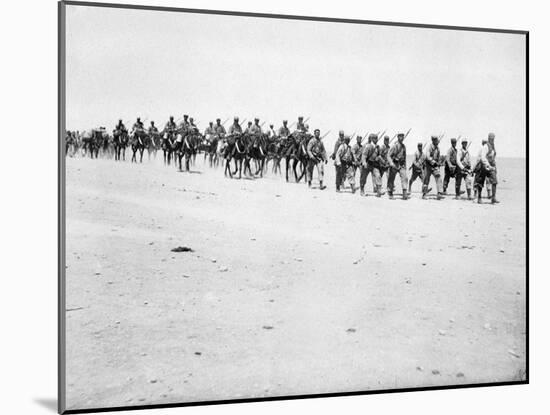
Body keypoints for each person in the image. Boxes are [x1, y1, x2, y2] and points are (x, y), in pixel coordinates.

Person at [474, 133, 499, 204]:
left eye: (493, 138)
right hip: (484, 166)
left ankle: (493, 198)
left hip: (491, 166)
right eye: (491, 138)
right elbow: (483, 157)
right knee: (480, 182)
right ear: (488, 138)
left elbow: (493, 157)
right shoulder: (485, 146)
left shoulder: (493, 146)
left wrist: (494, 167)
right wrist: (488, 165)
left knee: (494, 181)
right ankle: (479, 198)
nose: (492, 140)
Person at [387, 133, 408, 199]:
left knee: (405, 177)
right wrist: (391, 163)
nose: (402, 138)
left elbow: (404, 157)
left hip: (401, 165)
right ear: (398, 137)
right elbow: (388, 155)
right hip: (394, 164)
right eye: (400, 136)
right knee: (391, 178)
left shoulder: (404, 146)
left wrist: (405, 165)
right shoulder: (394, 146)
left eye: (402, 136)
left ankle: (404, 193)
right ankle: (390, 192)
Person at [423, 135, 444, 200]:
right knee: (426, 180)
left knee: (438, 177)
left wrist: (439, 163)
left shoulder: (438, 148)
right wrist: (433, 161)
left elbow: (438, 157)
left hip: (434, 166)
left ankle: (439, 193)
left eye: (437, 140)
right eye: (436, 140)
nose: (437, 141)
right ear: (433, 140)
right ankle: (424, 194)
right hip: (428, 165)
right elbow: (427, 156)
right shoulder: (429, 147)